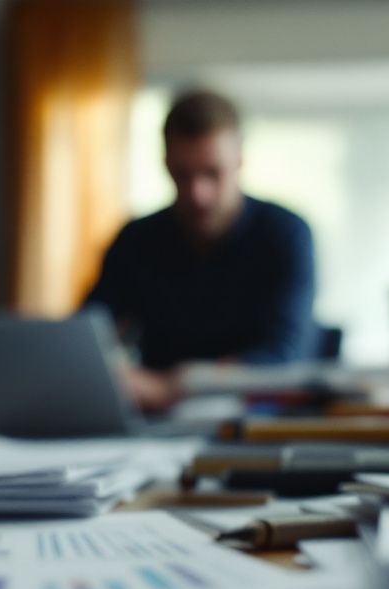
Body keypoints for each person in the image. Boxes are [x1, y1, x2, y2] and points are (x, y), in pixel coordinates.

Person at [82, 88, 317, 411]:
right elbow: (87, 334)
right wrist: (114, 372)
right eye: (182, 175)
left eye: (212, 173)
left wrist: (178, 386)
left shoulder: (286, 235)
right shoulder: (136, 239)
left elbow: (283, 356)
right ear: (165, 163)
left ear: (239, 160)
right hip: (157, 427)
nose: (198, 194)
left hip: (258, 424)